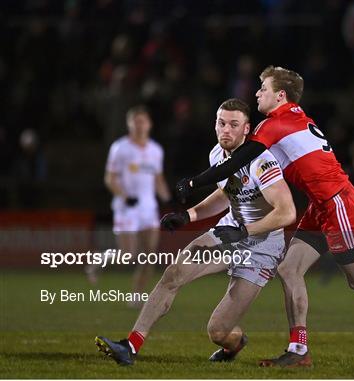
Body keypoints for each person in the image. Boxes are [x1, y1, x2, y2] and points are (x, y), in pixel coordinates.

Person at [175, 66, 354, 366]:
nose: (258, 92)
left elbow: (234, 163)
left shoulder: (272, 125)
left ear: (281, 95)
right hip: (322, 205)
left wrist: (193, 183)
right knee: (289, 268)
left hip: (339, 204)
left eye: (263, 87)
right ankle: (299, 350)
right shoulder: (295, 116)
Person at [95, 98, 296, 365]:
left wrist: (245, 231)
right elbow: (227, 194)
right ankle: (130, 346)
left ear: (247, 129)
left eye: (233, 125)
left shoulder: (261, 161)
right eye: (221, 123)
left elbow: (286, 212)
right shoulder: (217, 154)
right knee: (173, 273)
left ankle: (234, 344)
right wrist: (188, 215)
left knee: (219, 331)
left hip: (261, 245)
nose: (226, 130)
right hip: (229, 230)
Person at [86, 105, 171, 307]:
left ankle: (136, 296)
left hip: (148, 208)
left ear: (149, 124)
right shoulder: (120, 148)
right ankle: (101, 260)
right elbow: (110, 178)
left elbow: (158, 179)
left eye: (144, 121)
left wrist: (168, 199)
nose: (140, 125)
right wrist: (124, 196)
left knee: (150, 254)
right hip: (126, 207)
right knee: (127, 255)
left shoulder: (155, 150)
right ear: (129, 124)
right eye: (136, 121)